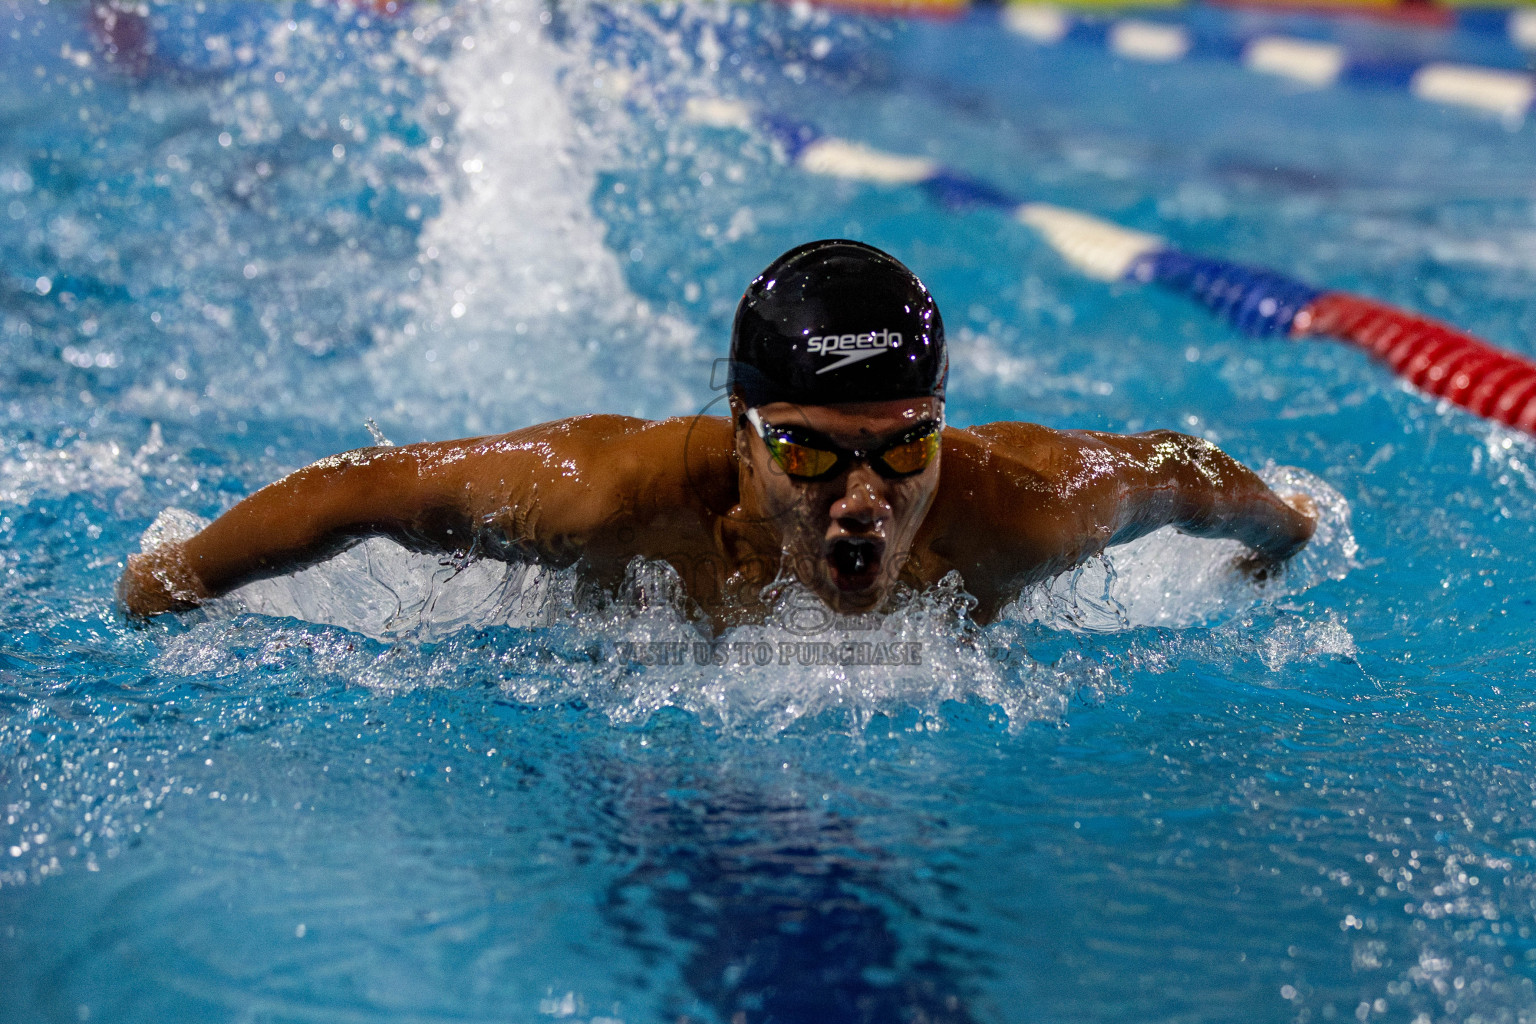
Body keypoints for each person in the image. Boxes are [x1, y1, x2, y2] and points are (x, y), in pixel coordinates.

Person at [118, 239, 1316, 628]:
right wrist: (163, 585)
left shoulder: (1020, 509)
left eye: (901, 443)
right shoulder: (610, 495)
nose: (863, 494)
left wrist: (1282, 540)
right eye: (808, 446)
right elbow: (363, 489)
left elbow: (1182, 471)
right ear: (742, 432)